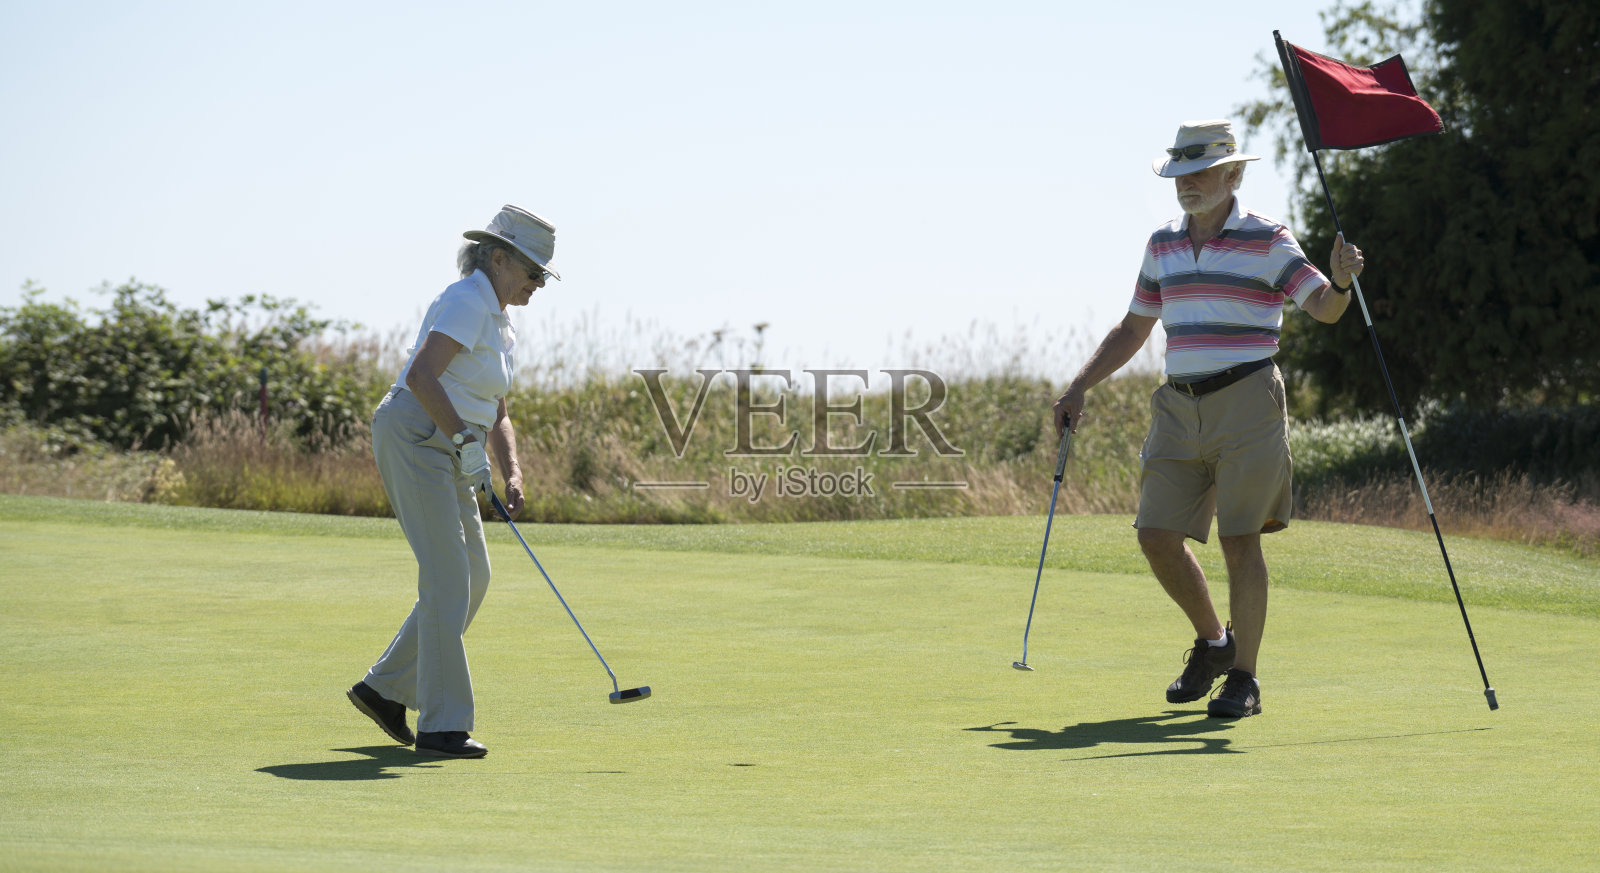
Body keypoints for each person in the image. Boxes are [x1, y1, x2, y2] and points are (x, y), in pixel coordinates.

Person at [1051, 120, 1364, 718]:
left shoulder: (1269, 239)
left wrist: (1343, 280)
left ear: (1234, 175)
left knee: (1240, 541)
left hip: (1248, 400)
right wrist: (1078, 386)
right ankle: (1216, 642)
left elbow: (1323, 307)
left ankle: (1243, 678)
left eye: (1200, 173)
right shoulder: (1162, 243)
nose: (1187, 184)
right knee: (1155, 534)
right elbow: (1134, 327)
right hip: (1177, 403)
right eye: (1179, 174)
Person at [346, 204, 559, 757]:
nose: (539, 284)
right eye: (533, 271)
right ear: (497, 258)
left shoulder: (500, 320)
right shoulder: (467, 300)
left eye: (543, 275)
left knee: (475, 575)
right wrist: (466, 442)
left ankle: (383, 690)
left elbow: (499, 410)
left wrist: (509, 467)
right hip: (417, 435)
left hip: (451, 444)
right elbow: (420, 376)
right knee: (447, 578)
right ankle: (443, 727)